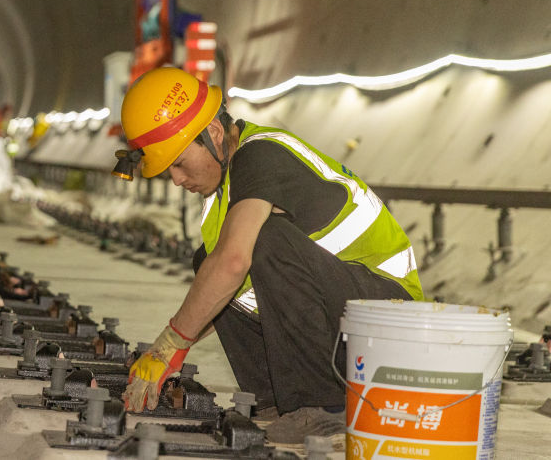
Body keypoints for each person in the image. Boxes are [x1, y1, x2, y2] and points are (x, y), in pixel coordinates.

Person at [115, 67, 425, 444]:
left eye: (178, 163)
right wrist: (172, 348)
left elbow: (234, 262)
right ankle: (277, 402)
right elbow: (222, 278)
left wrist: (171, 343)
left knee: (256, 244)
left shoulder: (261, 155)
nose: (177, 180)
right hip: (351, 324)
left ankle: (322, 405)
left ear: (214, 134)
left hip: (392, 322)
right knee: (207, 264)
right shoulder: (224, 193)